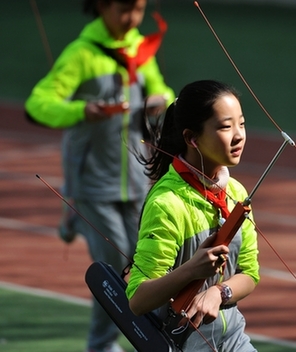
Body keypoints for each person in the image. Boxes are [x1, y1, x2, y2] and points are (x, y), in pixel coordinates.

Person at [25, 0, 175, 351]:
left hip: (137, 179)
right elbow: (38, 102)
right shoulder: (82, 53)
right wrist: (81, 110)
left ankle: (74, 223)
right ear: (102, 6)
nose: (133, 18)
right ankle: (101, 345)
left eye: (139, 9)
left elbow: (163, 90)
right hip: (93, 182)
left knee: (147, 262)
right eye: (125, 9)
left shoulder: (139, 49)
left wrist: (159, 100)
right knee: (115, 265)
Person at [125, 80, 260, 351]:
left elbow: (250, 274)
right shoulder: (167, 202)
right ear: (191, 138)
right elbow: (138, 300)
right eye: (225, 126)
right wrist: (191, 270)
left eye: (241, 124)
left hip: (233, 338)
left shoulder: (236, 192)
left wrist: (219, 293)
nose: (239, 135)